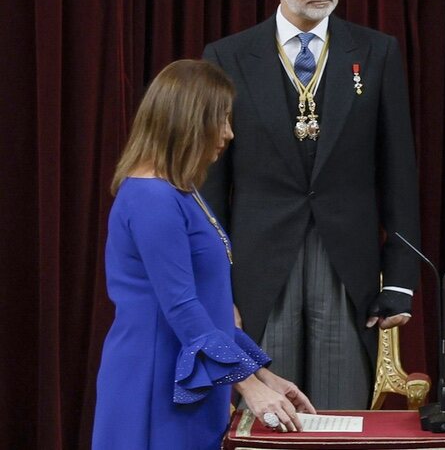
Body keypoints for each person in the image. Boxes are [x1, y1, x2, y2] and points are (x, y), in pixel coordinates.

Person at [201, 0, 420, 409]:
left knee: (339, 414)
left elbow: (399, 174)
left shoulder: (377, 51)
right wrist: (215, 286)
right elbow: (211, 185)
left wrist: (401, 278)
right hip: (258, 268)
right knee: (269, 420)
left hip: (347, 265)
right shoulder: (227, 57)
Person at [92, 60, 316, 449]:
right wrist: (247, 387)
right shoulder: (152, 197)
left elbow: (213, 308)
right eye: (222, 120)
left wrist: (264, 376)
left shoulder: (181, 191)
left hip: (195, 374)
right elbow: (181, 307)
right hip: (155, 379)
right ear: (187, 121)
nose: (229, 134)